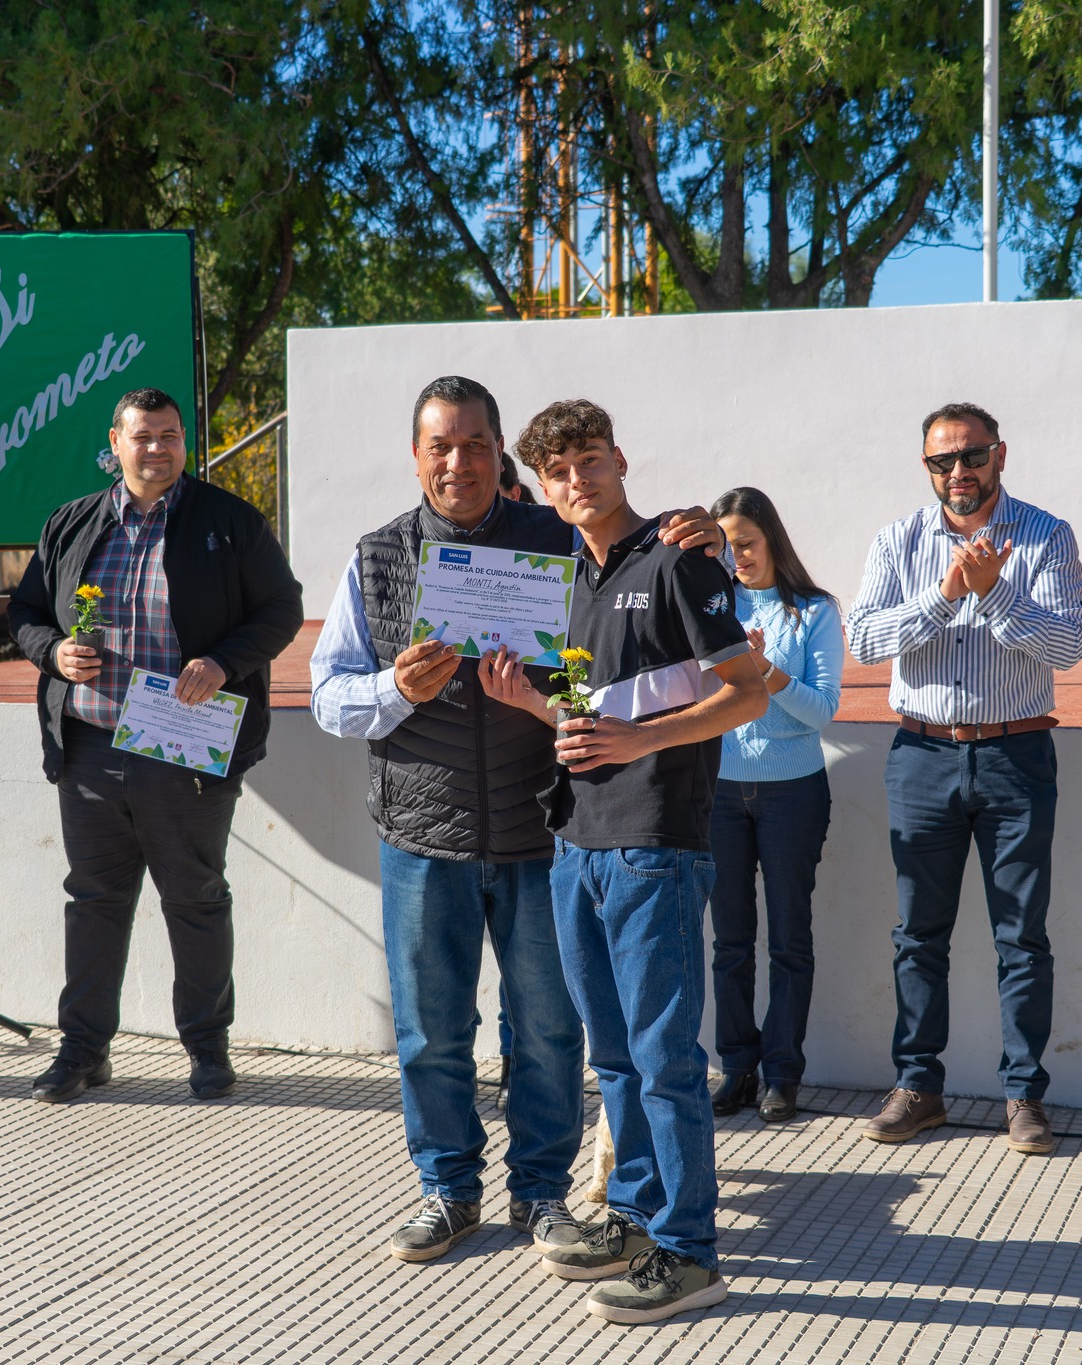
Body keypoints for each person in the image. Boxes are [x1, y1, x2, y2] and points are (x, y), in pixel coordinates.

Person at [309, 375, 726, 1269]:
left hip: (546, 830)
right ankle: (447, 1189)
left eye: (475, 445)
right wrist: (394, 688)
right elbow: (327, 696)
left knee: (548, 1032)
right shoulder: (376, 557)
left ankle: (541, 1190)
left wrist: (705, 533)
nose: (458, 462)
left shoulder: (557, 538)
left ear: (502, 457)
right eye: (440, 446)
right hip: (423, 837)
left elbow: (640, 561)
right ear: (416, 457)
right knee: (431, 1033)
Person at [483, 397, 766, 1326]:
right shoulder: (562, 576)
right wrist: (529, 703)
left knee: (664, 1057)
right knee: (612, 1053)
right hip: (575, 840)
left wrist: (641, 742)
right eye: (559, 471)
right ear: (545, 487)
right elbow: (587, 718)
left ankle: (690, 1251)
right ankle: (636, 1217)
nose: (578, 480)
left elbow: (747, 694)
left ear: (620, 461)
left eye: (591, 460)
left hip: (655, 841)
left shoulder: (680, 559)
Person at [9, 387, 303, 1104]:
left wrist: (223, 662)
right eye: (143, 436)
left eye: (170, 435)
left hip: (184, 749)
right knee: (93, 901)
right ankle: (83, 1051)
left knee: (195, 899)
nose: (158, 449)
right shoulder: (72, 522)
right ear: (115, 443)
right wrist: (53, 652)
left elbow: (282, 608)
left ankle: (207, 1049)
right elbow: (25, 612)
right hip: (89, 747)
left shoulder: (228, 521)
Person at [846, 401, 1082, 1156]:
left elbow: (1069, 645)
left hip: (1016, 755)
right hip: (921, 755)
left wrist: (996, 592)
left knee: (1022, 936)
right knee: (918, 932)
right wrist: (947, 594)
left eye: (972, 456)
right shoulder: (898, 540)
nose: (959, 472)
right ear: (927, 466)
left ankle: (1024, 1096)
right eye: (942, 460)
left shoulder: (1045, 535)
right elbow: (865, 638)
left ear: (999, 455)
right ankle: (918, 1086)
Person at [705, 486, 843, 1125]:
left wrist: (766, 673)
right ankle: (736, 1067)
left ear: (772, 541)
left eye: (747, 543)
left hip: (793, 792)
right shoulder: (711, 608)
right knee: (730, 940)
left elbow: (822, 712)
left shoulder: (813, 610)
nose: (737, 557)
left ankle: (782, 1074)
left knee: (789, 936)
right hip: (720, 792)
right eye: (726, 546)